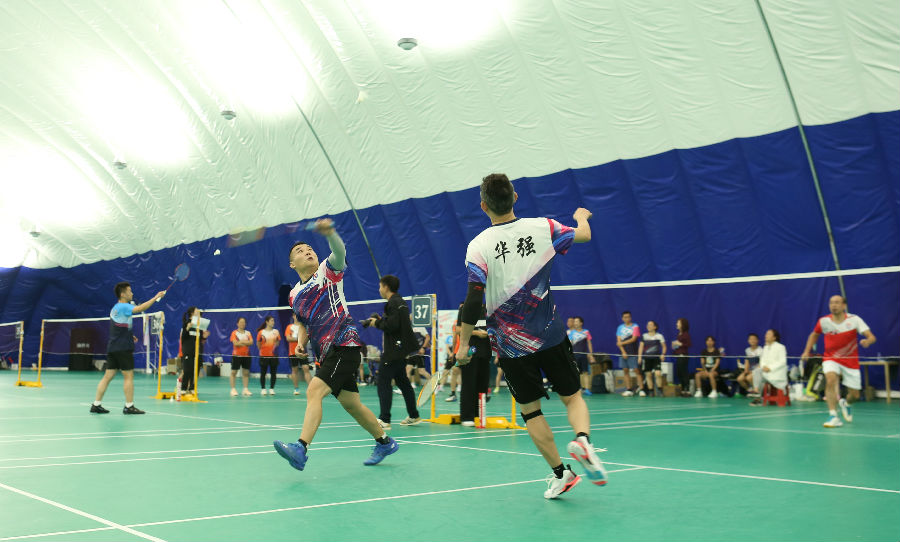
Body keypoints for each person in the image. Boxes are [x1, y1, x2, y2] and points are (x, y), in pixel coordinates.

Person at [455, 173, 607, 499]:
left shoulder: (478, 246)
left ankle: (561, 474)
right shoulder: (544, 227)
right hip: (550, 334)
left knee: (531, 411)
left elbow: (473, 300)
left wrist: (463, 344)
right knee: (573, 397)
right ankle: (583, 440)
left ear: (483, 206)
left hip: (511, 346)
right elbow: (584, 234)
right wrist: (581, 216)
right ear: (515, 197)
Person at [273, 219, 398, 471]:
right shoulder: (294, 294)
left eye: (310, 249)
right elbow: (304, 321)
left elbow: (339, 251)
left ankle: (301, 448)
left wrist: (330, 233)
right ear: (292, 264)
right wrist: (300, 343)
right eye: (300, 251)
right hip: (325, 353)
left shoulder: (327, 272)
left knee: (314, 391)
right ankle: (384, 442)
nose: (307, 252)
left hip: (344, 344)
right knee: (352, 405)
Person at [801, 295, 876, 428]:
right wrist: (807, 351)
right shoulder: (824, 321)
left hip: (850, 361)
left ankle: (846, 403)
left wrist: (867, 341)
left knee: (855, 395)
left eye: (837, 302)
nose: (833, 305)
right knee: (830, 380)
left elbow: (871, 337)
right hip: (831, 358)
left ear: (844, 305)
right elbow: (814, 335)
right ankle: (833, 415)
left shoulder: (854, 320)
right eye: (831, 303)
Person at [91, 282, 166, 414]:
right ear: (123, 294)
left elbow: (119, 325)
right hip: (123, 348)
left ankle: (96, 404)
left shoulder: (115, 308)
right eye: (130, 291)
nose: (132, 293)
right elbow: (140, 308)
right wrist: (156, 297)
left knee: (108, 376)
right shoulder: (124, 306)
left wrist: (130, 335)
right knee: (128, 376)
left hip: (113, 347)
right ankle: (129, 406)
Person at [364, 275, 422, 428]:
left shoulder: (393, 302)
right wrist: (381, 320)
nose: (379, 289)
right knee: (403, 382)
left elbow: (392, 325)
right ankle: (414, 415)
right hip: (401, 350)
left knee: (383, 382)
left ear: (386, 287)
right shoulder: (400, 302)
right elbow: (395, 322)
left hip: (394, 351)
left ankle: (385, 419)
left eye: (380, 286)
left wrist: (377, 323)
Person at [458, 303, 491, 426]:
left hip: (485, 352)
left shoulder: (490, 309)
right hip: (469, 353)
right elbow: (458, 329)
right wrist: (477, 333)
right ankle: (467, 416)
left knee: (483, 385)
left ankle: (478, 415)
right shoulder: (465, 308)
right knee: (468, 384)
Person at [750, 329, 788, 406]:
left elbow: (782, 361)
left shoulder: (781, 347)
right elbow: (762, 360)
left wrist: (770, 368)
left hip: (776, 372)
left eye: (768, 334)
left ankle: (757, 395)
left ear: (774, 337)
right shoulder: (765, 347)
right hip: (766, 372)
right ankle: (757, 393)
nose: (766, 336)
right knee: (756, 371)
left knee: (758, 374)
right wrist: (764, 367)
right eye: (766, 334)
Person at [180, 306, 210, 396]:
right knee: (187, 370)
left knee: (195, 370)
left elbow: (199, 339)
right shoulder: (187, 323)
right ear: (192, 313)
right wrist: (187, 328)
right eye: (197, 311)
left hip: (197, 351)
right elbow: (183, 338)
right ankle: (183, 388)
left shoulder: (199, 325)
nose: (199, 312)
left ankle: (192, 388)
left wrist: (204, 337)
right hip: (188, 351)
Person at [567, 317, 595, 396]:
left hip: (584, 355)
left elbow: (589, 343)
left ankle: (587, 389)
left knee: (585, 372)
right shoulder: (572, 333)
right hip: (575, 355)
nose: (575, 323)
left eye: (576, 321)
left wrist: (591, 354)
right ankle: (578, 389)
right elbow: (569, 344)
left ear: (581, 323)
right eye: (574, 322)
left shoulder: (586, 332)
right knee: (576, 373)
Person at [617, 311, 643, 396]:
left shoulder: (635, 326)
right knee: (625, 370)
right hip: (623, 353)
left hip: (633, 352)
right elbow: (618, 341)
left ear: (630, 317)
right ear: (622, 318)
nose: (627, 318)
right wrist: (623, 352)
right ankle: (629, 389)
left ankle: (641, 389)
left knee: (636, 370)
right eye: (625, 317)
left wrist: (622, 343)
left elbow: (633, 339)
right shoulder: (620, 327)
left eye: (628, 317)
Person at [637, 320, 665, 396]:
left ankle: (659, 390)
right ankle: (651, 391)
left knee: (658, 374)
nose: (648, 326)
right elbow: (641, 347)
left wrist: (663, 354)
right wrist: (639, 357)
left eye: (650, 325)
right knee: (648, 374)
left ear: (655, 327)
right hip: (647, 358)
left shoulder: (659, 336)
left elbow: (664, 347)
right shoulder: (644, 336)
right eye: (647, 325)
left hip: (656, 358)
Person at [286, 313, 310, 395]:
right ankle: (296, 389)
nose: (296, 317)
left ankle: (310, 388)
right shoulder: (289, 327)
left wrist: (298, 339)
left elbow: (307, 337)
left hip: (302, 351)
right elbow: (288, 338)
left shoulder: (303, 327)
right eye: (295, 315)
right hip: (293, 352)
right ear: (293, 316)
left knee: (306, 368)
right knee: (294, 370)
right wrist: (300, 339)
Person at [229, 317, 254, 397]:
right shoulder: (234, 333)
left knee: (246, 373)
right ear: (237, 324)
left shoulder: (248, 333)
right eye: (241, 322)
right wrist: (245, 342)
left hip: (247, 355)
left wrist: (241, 342)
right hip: (236, 355)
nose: (242, 324)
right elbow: (235, 343)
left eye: (244, 322)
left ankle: (245, 389)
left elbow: (251, 342)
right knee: (234, 372)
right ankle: (233, 389)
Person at [257, 316, 281, 395]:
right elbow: (258, 344)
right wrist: (264, 350)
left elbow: (277, 343)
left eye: (273, 320)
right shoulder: (261, 332)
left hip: (274, 356)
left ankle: (271, 388)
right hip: (264, 356)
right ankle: (263, 388)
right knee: (263, 373)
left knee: (273, 373)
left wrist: (273, 349)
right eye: (271, 320)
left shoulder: (276, 332)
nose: (273, 322)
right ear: (267, 322)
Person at [672, 318, 692, 396]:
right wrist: (674, 346)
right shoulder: (679, 334)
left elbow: (689, 344)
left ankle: (687, 389)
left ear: (682, 324)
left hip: (683, 356)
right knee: (679, 373)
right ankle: (683, 389)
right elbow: (678, 346)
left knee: (684, 373)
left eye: (678, 323)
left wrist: (680, 344)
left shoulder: (686, 334)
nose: (676, 324)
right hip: (678, 356)